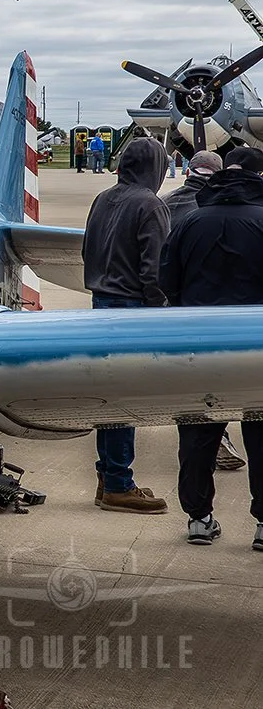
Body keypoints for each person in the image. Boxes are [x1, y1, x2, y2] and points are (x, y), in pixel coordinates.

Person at [160, 146, 263, 548]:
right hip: (256, 344)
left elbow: (167, 281)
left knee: (198, 436)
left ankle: (199, 518)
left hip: (198, 343)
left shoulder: (190, 221)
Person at [82, 137, 170, 513]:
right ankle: (119, 483)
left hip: (101, 303)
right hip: (132, 307)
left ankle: (107, 476)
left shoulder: (103, 199)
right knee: (126, 399)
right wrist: (158, 311)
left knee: (109, 393)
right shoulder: (151, 205)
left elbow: (87, 249)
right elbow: (155, 269)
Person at [160, 150, 246, 471]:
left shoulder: (165, 204)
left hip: (175, 307)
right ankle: (217, 436)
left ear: (188, 171)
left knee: (189, 378)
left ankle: (196, 442)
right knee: (218, 377)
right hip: (215, 307)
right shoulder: (219, 207)